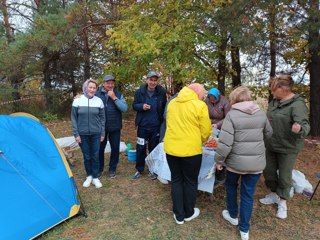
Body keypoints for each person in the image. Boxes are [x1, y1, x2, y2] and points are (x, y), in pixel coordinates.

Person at [214, 86, 273, 240]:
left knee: (231, 186)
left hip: (235, 164)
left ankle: (233, 215)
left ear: (234, 99)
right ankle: (244, 230)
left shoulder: (232, 116)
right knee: (248, 195)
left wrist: (219, 161)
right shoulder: (261, 114)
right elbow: (269, 134)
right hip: (256, 164)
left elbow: (225, 143)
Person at [259, 74, 310, 219]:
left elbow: (305, 126)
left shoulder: (297, 104)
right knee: (268, 171)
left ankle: (282, 202)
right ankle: (274, 194)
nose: (272, 92)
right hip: (270, 143)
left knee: (284, 176)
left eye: (274, 89)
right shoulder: (274, 102)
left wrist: (299, 129)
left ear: (282, 88)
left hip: (288, 146)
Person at [164, 83, 212, 225]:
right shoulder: (199, 105)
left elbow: (169, 123)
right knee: (190, 181)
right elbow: (206, 131)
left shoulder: (172, 103)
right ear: (196, 92)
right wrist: (201, 140)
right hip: (191, 151)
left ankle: (179, 215)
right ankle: (188, 213)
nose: (204, 96)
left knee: (177, 180)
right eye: (203, 93)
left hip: (172, 149)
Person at [131, 71, 167, 180]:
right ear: (147, 80)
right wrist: (142, 106)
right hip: (142, 125)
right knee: (141, 147)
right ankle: (139, 169)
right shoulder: (140, 92)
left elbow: (164, 107)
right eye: (151, 80)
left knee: (153, 148)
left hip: (155, 126)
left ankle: (153, 169)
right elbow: (134, 105)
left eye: (155, 80)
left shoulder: (161, 92)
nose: (153, 82)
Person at [71, 79, 105, 188]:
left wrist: (102, 133)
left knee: (95, 155)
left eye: (94, 88)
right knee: (87, 156)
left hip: (96, 133)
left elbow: (102, 119)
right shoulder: (77, 101)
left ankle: (95, 177)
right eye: (90, 87)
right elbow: (74, 119)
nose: (92, 89)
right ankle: (89, 175)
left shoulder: (99, 101)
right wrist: (76, 134)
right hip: (82, 134)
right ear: (85, 88)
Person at [95, 74, 128, 179]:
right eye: (108, 83)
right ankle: (100, 168)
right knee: (100, 149)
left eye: (112, 83)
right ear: (103, 83)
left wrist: (114, 98)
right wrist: (78, 96)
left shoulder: (118, 94)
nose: (110, 85)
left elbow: (124, 108)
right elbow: (87, 100)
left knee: (115, 148)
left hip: (115, 127)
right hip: (101, 128)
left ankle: (112, 169)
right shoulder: (97, 94)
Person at [205, 87, 231, 183]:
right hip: (209, 127)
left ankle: (220, 174)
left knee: (220, 150)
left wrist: (217, 124)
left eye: (213, 98)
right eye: (210, 98)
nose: (212, 100)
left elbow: (228, 117)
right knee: (208, 148)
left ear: (218, 96)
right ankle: (207, 171)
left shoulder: (225, 102)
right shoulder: (206, 101)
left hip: (221, 128)